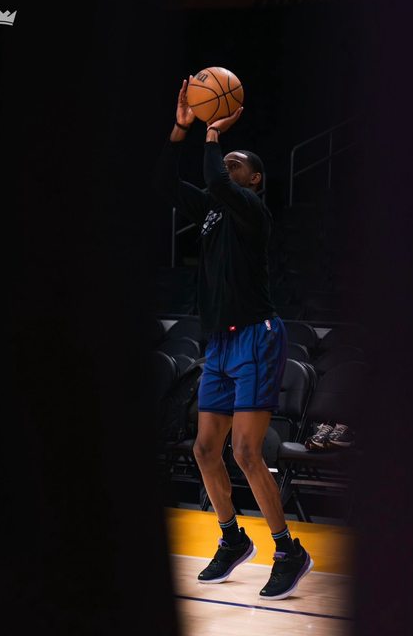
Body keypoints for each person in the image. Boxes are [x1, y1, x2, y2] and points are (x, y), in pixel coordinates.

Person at [153, 77, 314, 600]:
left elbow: (217, 183)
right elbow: (165, 183)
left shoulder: (251, 210)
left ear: (256, 179)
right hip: (219, 343)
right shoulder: (214, 211)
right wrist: (181, 129)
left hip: (256, 338)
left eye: (237, 162)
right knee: (205, 449)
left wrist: (213, 134)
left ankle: (288, 550)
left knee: (245, 451)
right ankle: (231, 539)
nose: (227, 163)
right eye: (226, 159)